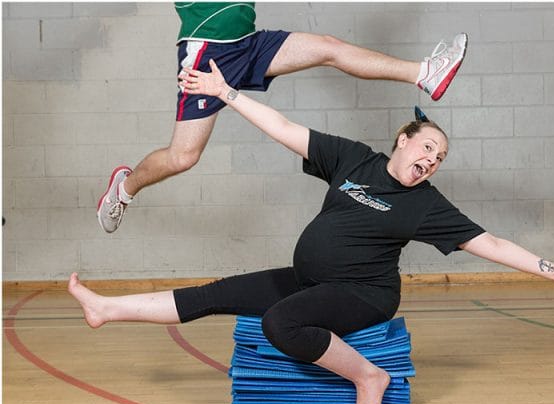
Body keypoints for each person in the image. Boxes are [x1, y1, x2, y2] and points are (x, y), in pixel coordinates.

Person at [71, 57, 554, 404]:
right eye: (427, 149)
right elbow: (281, 127)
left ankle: (369, 376)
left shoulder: (427, 205)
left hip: (363, 293)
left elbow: (491, 244)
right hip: (312, 278)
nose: (430, 161)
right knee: (213, 295)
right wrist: (226, 93)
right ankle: (105, 309)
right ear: (403, 141)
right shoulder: (353, 159)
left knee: (282, 321)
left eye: (439, 159)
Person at [97, 1, 469, 233]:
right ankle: (125, 189)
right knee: (184, 156)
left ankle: (424, 73)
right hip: (208, 49)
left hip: (247, 42)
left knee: (328, 47)